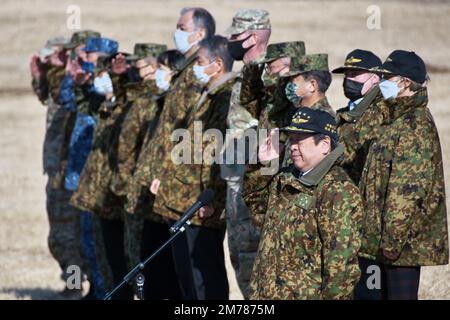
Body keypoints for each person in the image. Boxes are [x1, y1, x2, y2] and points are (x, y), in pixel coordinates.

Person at [358, 50, 449, 299]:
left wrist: (391, 241)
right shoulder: (396, 119)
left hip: (400, 247)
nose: (381, 83)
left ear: (405, 82)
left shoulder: (414, 125)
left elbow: (406, 191)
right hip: (385, 242)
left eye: (387, 77)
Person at [150, 35, 236, 300]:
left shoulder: (226, 98)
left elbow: (221, 157)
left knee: (204, 281)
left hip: (203, 205)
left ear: (217, 64)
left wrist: (215, 201)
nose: (194, 68)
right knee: (188, 279)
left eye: (199, 62)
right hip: (187, 202)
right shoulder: (207, 94)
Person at [246, 107, 362, 299]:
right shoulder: (285, 177)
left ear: (325, 144)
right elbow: (257, 212)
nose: (293, 146)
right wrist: (261, 166)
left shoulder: (337, 191)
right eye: (292, 138)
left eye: (300, 139)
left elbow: (341, 268)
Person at [125, 49, 185, 300]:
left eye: (163, 68)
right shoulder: (160, 102)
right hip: (149, 199)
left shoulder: (181, 106)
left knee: (170, 277)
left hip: (169, 199)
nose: (157, 74)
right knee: (150, 273)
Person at [220, 8, 271, 299]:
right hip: (235, 183)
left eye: (235, 35)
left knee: (253, 261)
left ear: (252, 37)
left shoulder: (267, 74)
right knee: (239, 258)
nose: (230, 41)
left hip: (253, 185)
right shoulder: (246, 73)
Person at [332, 49, 383, 185]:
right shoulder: (342, 113)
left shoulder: (381, 114)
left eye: (354, 74)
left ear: (375, 78)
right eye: (346, 75)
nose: (348, 80)